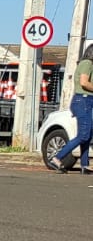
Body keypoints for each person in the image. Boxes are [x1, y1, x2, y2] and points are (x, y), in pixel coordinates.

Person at [47, 42, 93, 174]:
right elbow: (84, 82)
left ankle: (84, 165)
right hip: (83, 100)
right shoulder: (87, 64)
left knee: (88, 134)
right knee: (83, 135)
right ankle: (57, 158)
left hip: (87, 100)